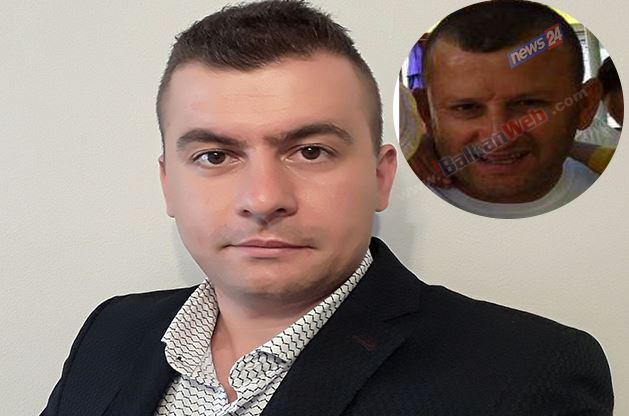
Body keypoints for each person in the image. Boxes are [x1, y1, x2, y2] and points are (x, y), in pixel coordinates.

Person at [41, 1, 613, 415]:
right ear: (169, 184)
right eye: (215, 156)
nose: (264, 199)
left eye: (311, 151)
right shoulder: (113, 331)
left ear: (380, 177)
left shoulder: (525, 375)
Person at [413, 1, 602, 218]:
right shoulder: (392, 211)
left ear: (585, 106)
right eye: (466, 108)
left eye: (528, 103)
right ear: (425, 112)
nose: (498, 136)